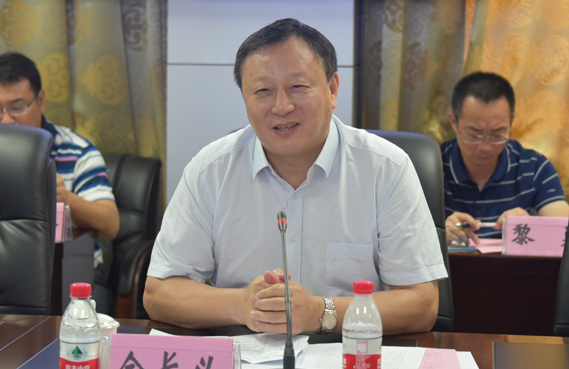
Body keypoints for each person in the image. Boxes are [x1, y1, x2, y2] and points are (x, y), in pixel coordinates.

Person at [144, 18, 447, 336]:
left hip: (349, 357)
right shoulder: (209, 171)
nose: (282, 106)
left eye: (298, 87)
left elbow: (422, 304)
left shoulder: (386, 168)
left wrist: (320, 312)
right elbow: (159, 293)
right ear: (245, 101)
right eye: (263, 91)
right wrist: (243, 305)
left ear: (332, 89)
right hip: (243, 360)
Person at [0, 52, 120, 310]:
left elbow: (110, 224)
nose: (6, 120)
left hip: (69, 273)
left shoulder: (78, 152)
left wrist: (65, 199)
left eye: (17, 107)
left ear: (40, 100)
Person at [442, 72, 569, 246]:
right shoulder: (430, 167)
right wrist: (435, 233)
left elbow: (564, 235)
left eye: (497, 134)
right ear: (454, 122)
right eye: (474, 134)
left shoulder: (534, 168)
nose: (485, 147)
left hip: (513, 264)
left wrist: (533, 228)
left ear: (511, 121)